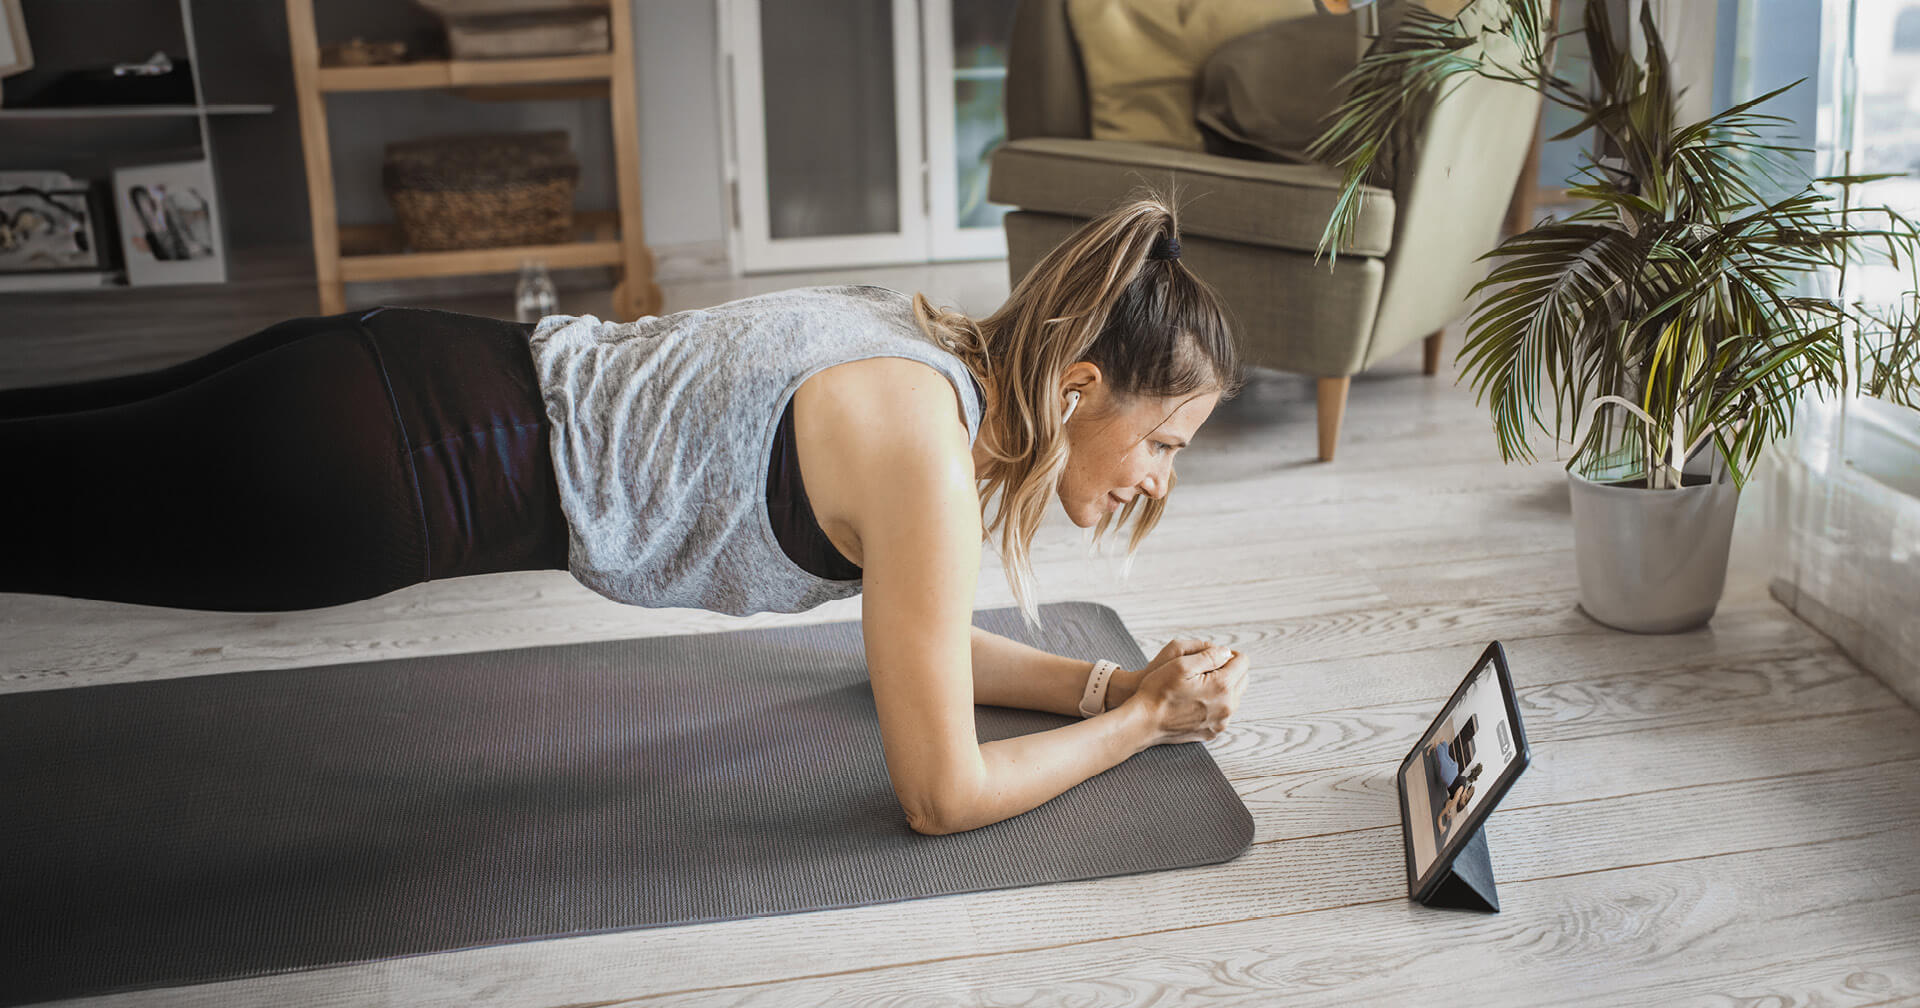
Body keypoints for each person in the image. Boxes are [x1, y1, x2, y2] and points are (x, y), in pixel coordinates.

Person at [0, 193, 1255, 836]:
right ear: (1078, 387)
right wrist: (1144, 723)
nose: (1158, 479)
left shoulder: (918, 338)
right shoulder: (926, 458)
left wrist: (1105, 687)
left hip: (370, 374)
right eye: (1161, 442)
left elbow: (914, 647)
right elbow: (942, 793)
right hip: (374, 472)